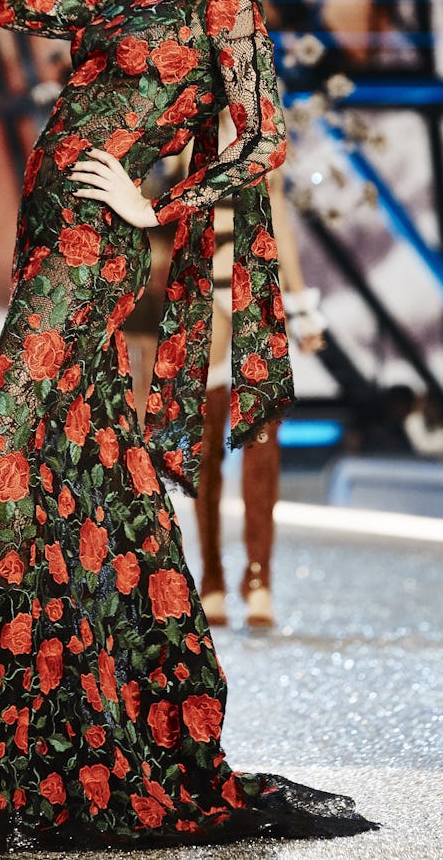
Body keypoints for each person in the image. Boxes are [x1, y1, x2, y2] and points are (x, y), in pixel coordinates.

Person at [0, 0, 377, 850]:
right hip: (47, 249)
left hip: (90, 257)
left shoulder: (229, 13)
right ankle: (40, 757)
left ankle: (11, 747)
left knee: (2, 448)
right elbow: (4, 6)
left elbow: (266, 144)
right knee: (88, 480)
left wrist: (161, 207)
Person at [196, 163, 326, 629]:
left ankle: (259, 582)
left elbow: (278, 221)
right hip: (201, 287)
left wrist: (300, 304)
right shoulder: (188, 119)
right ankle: (211, 579)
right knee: (206, 450)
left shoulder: (265, 121)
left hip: (255, 288)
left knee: (262, 447)